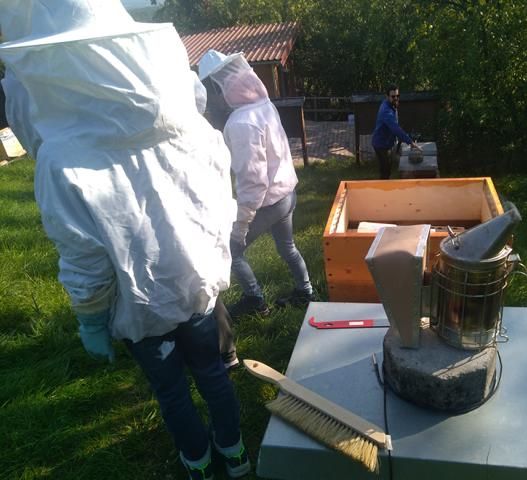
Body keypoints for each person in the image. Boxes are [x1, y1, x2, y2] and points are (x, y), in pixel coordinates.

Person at [0, 1, 249, 479]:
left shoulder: (62, 159)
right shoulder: (193, 128)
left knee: (172, 390)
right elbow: (221, 204)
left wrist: (91, 318)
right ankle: (234, 454)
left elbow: (84, 256)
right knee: (212, 372)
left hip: (140, 308)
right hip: (197, 283)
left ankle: (198, 464)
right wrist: (214, 266)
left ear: (52, 68)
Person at [198, 50, 314, 318]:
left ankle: (255, 301)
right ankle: (305, 290)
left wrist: (241, 225)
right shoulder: (264, 106)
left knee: (231, 251)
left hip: (269, 202)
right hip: (287, 194)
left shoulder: (241, 122)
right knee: (287, 246)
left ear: (221, 88)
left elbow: (253, 182)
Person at [371, 84, 420, 179]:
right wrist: (410, 142)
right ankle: (382, 187)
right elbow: (395, 128)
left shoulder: (392, 105)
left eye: (398, 96)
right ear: (387, 96)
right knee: (385, 171)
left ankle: (384, 184)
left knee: (388, 168)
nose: (396, 98)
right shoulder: (386, 111)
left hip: (387, 143)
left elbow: (395, 126)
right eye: (393, 96)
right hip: (381, 144)